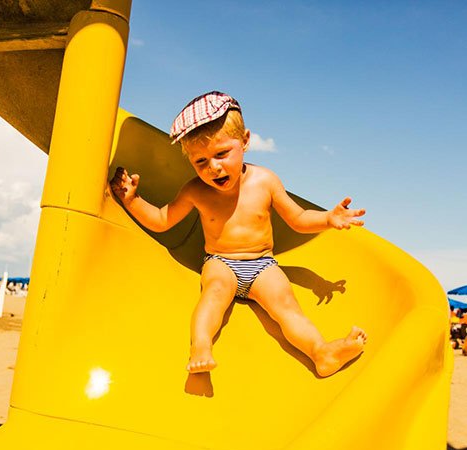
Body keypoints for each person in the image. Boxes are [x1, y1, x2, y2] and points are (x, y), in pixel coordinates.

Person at [110, 91, 367, 376]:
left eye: (221, 154)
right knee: (215, 293)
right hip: (221, 262)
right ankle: (201, 346)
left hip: (262, 264)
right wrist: (131, 200)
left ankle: (321, 353)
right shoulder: (195, 190)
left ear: (244, 141)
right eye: (201, 162)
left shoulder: (265, 181)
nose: (213, 167)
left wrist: (328, 218)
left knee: (285, 305)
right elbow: (161, 220)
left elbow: (298, 218)